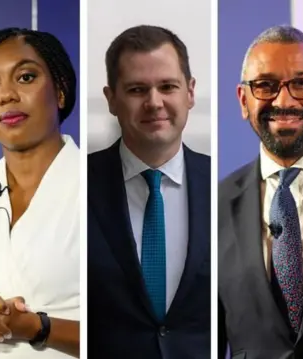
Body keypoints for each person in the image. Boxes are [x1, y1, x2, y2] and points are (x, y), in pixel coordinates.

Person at [87, 25, 211, 358]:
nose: (154, 102)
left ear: (190, 92)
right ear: (111, 99)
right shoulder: (73, 186)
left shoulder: (224, 186)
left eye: (167, 86)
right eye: (137, 90)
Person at [0, 28, 80, 358]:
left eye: (25, 77)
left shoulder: (101, 189)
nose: (6, 95)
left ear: (61, 91)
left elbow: (133, 334)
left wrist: (35, 326)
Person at [218, 25, 303, 358]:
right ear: (244, 100)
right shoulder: (214, 207)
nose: (284, 101)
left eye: (302, 84)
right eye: (265, 86)